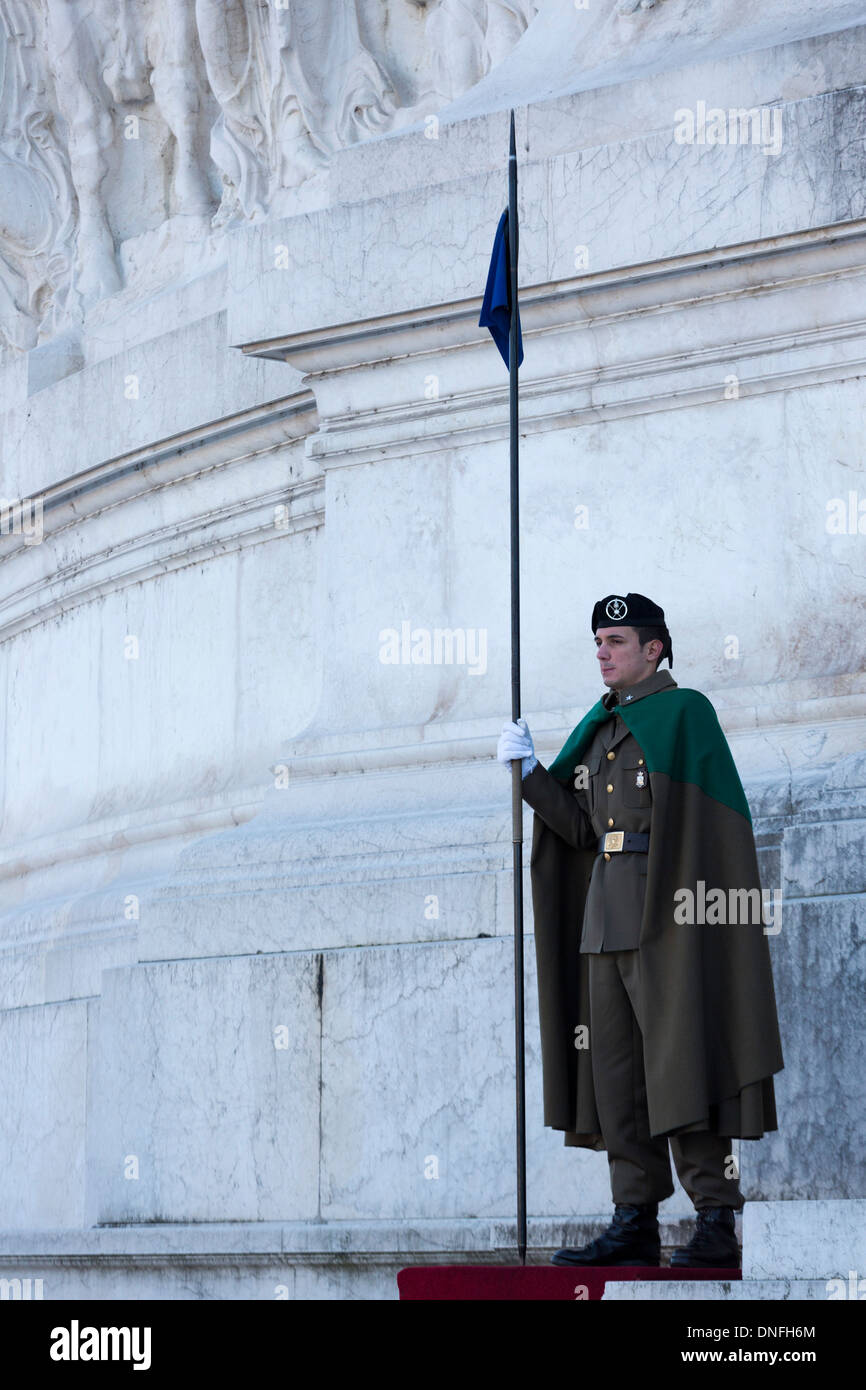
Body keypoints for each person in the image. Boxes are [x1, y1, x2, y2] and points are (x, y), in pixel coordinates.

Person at [497, 592, 784, 1268]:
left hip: (671, 925)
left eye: (616, 641)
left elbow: (711, 830)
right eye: (598, 641)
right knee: (617, 1080)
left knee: (682, 1068)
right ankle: (635, 1220)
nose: (602, 652)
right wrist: (529, 773)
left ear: (654, 649)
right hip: (605, 925)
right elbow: (579, 831)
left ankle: (716, 1220)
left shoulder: (686, 714)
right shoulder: (599, 730)